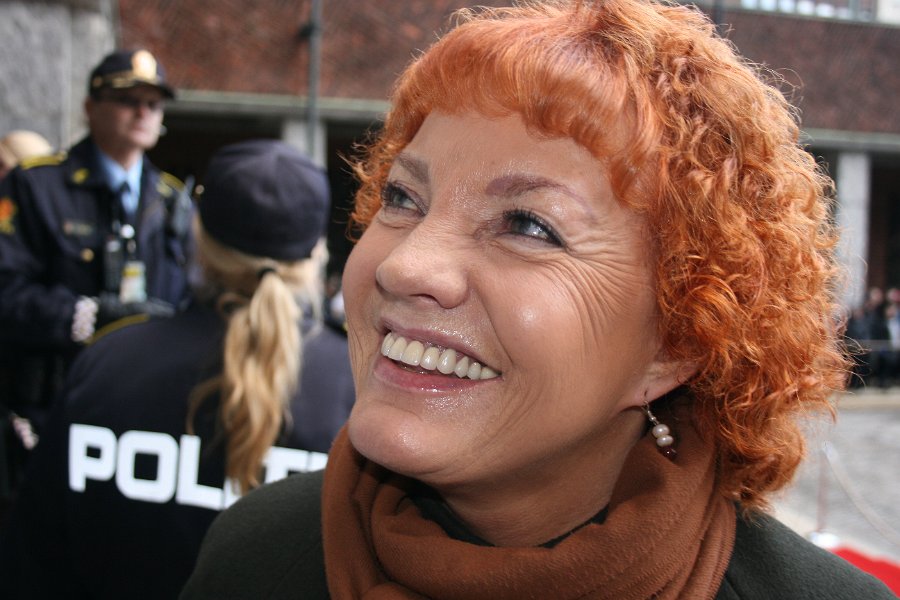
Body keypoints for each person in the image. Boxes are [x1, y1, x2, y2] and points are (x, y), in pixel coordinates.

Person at [181, 1, 894, 598]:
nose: (404, 265)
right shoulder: (255, 559)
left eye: (528, 225)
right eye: (402, 197)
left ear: (678, 341)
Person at [0, 139, 355, 599]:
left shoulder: (109, 362)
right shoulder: (355, 384)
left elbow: (31, 562)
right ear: (316, 254)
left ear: (197, 238)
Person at [0, 49, 191, 457]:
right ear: (90, 108)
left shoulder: (173, 200)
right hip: (52, 409)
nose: (143, 113)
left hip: (144, 409)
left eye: (154, 103)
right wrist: (86, 317)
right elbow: (7, 292)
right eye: (127, 99)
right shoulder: (36, 185)